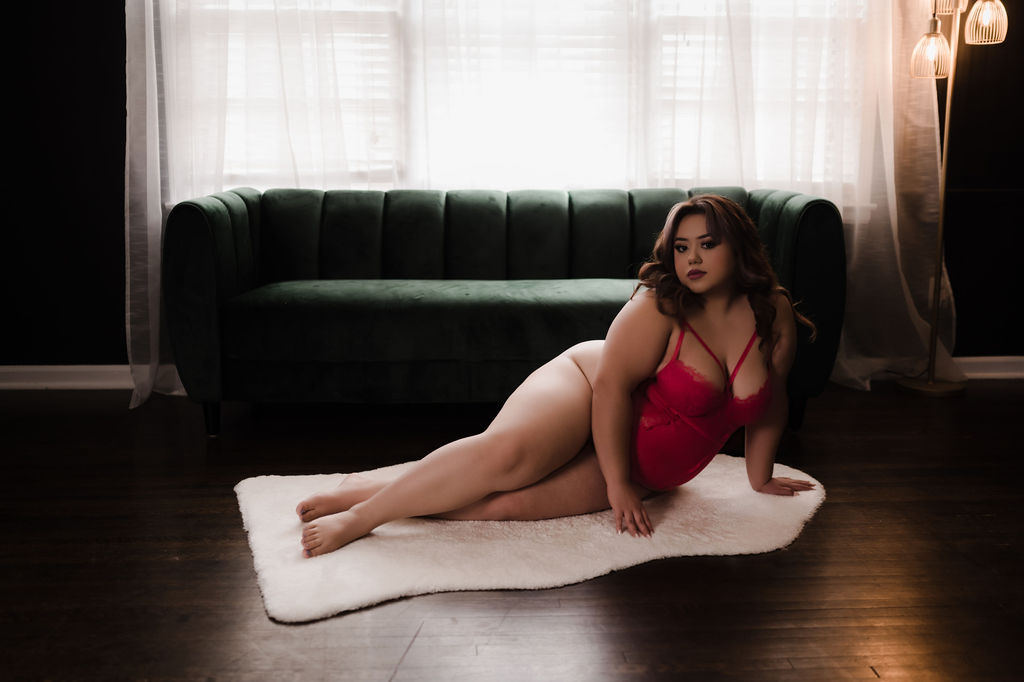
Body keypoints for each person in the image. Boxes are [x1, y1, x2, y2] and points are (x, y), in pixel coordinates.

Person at [296, 194, 817, 558]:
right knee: (508, 458)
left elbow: (770, 403)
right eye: (681, 247)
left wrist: (759, 476)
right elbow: (612, 388)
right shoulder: (661, 307)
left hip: (649, 469)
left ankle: (376, 488)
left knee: (504, 506)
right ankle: (360, 518)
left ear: (739, 247)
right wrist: (616, 486)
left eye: (707, 244)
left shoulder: (772, 313)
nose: (692, 258)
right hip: (588, 385)